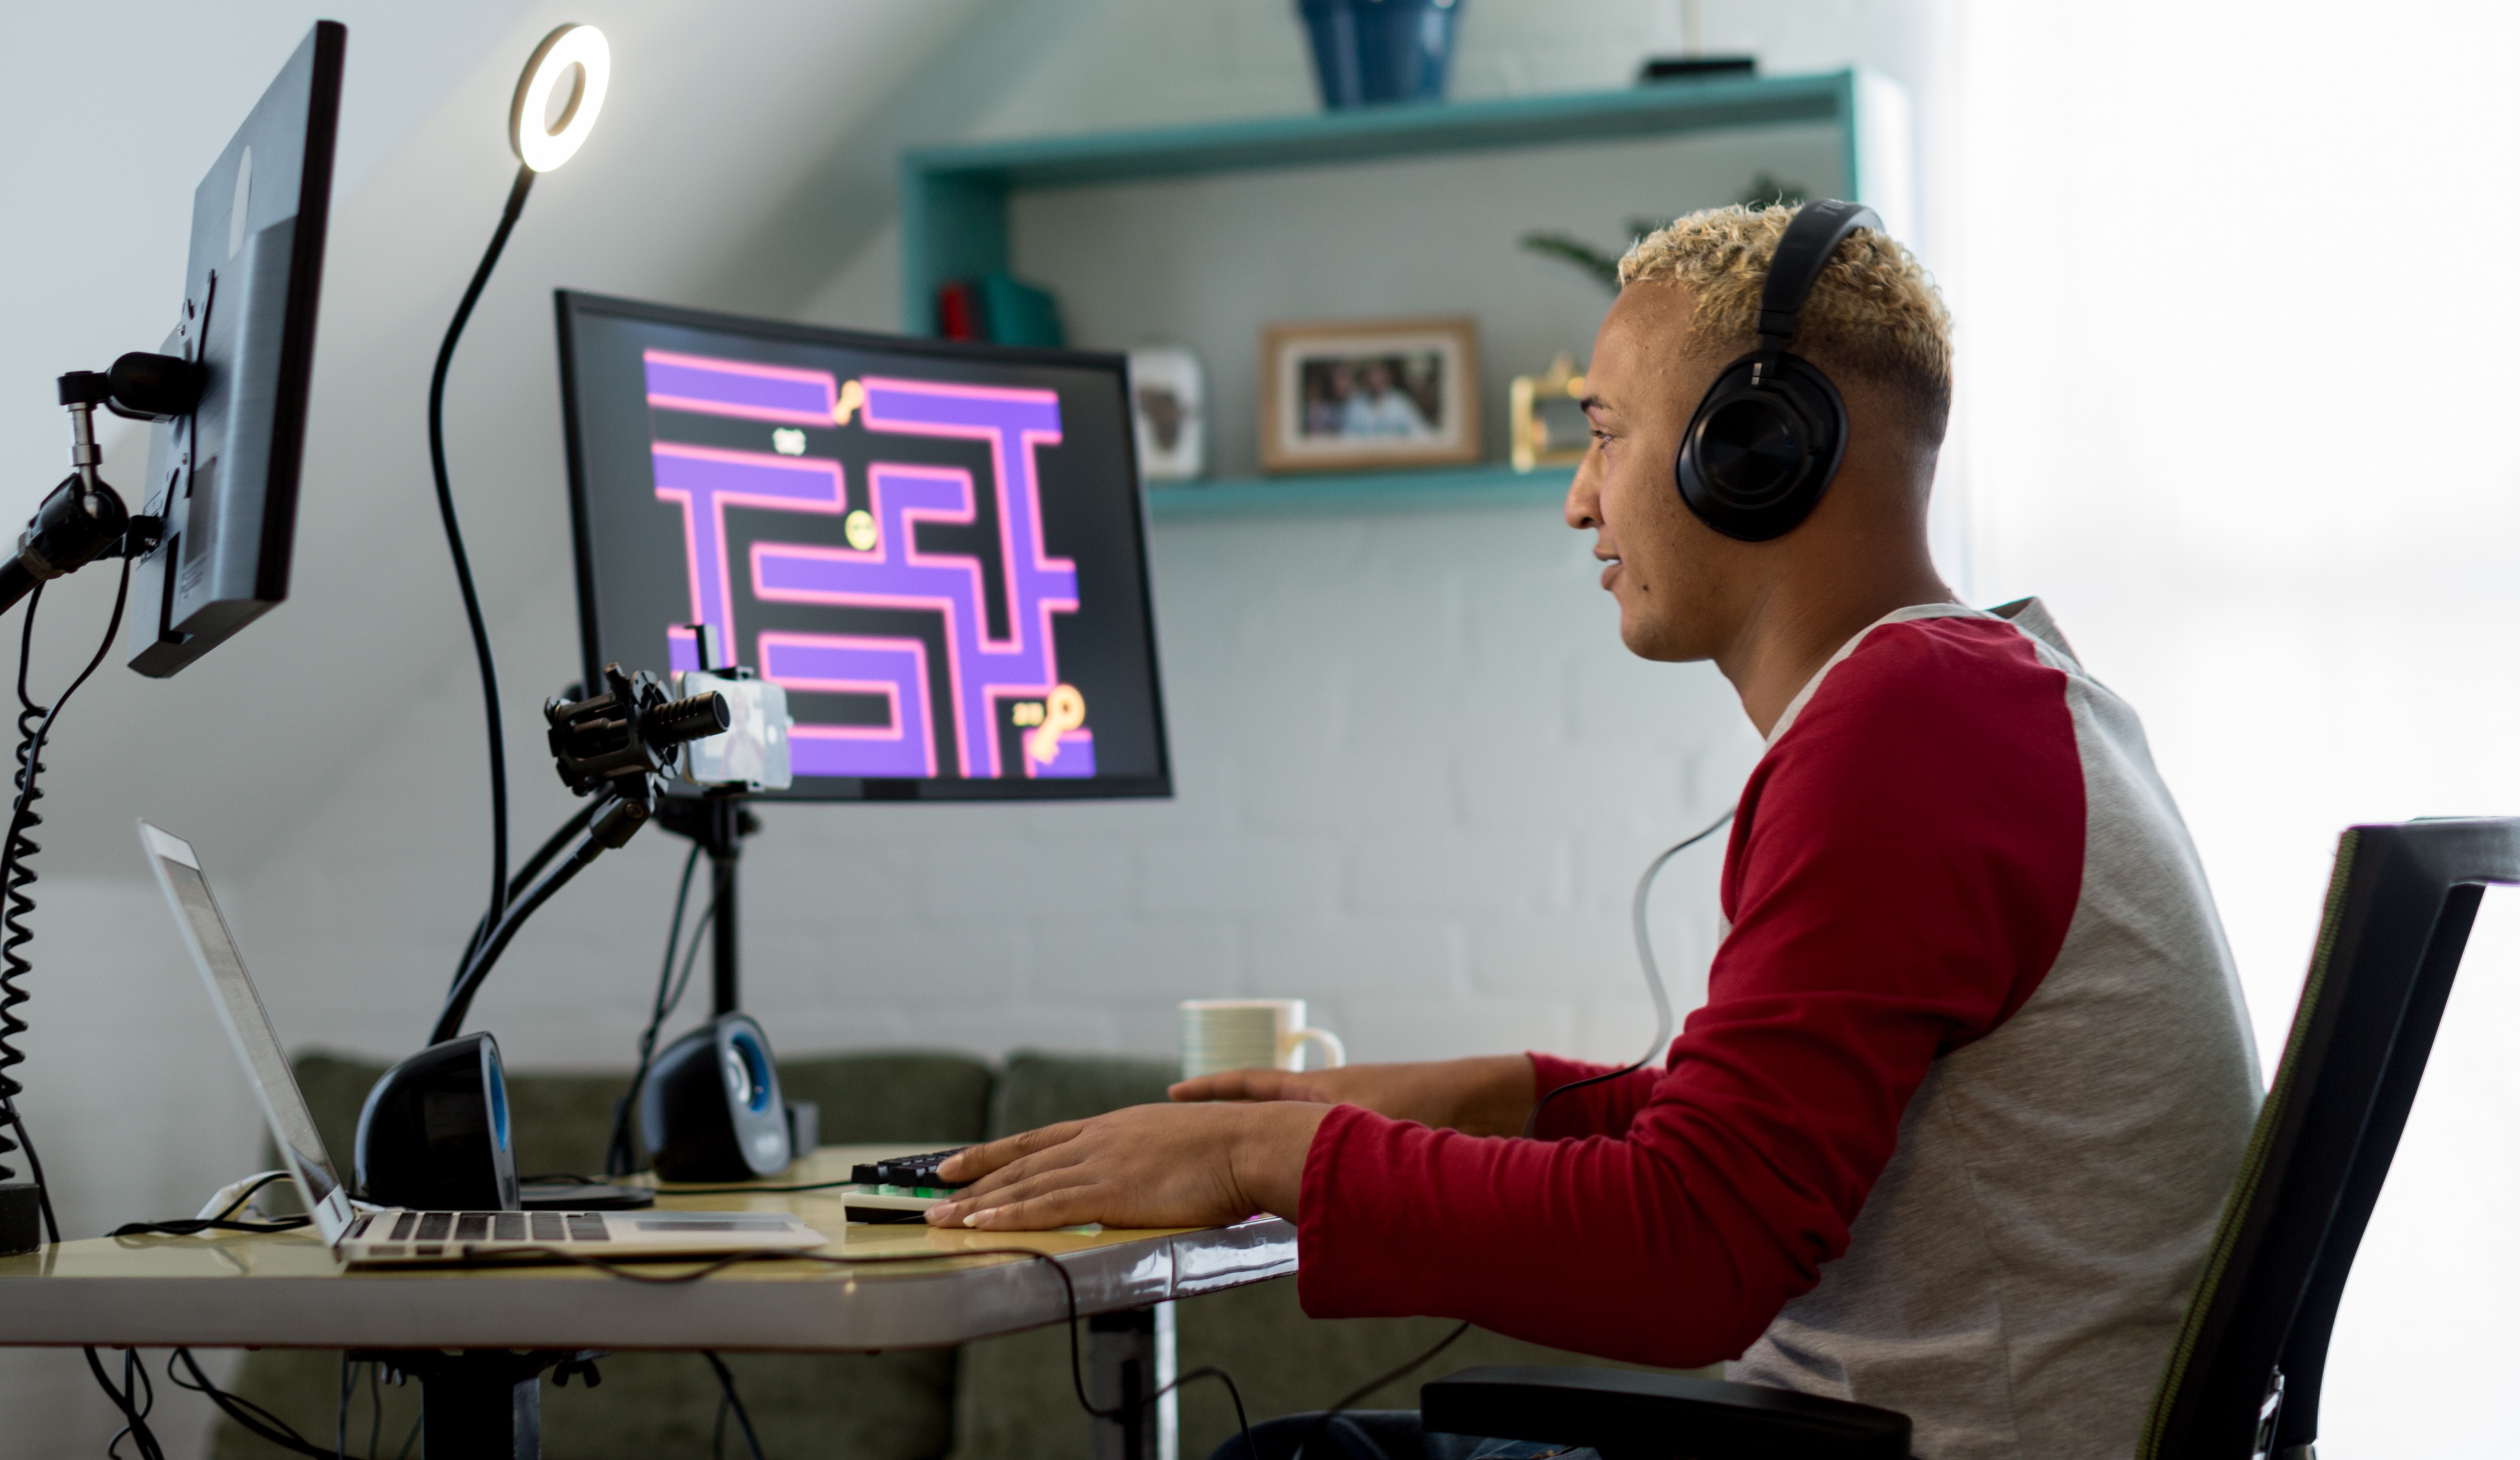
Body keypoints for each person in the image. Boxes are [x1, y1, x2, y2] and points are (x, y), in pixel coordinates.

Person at [924, 203, 2263, 1460]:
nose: (1579, 500)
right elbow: (1756, 1140)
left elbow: (1695, 1251)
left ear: (1759, 449)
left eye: (1607, 435)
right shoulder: (1991, 693)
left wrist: (1250, 1156)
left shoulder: (1910, 726)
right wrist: (1488, 1094)